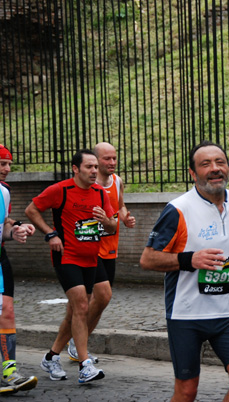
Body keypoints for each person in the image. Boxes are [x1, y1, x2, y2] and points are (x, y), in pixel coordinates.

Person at [140, 141, 229, 402]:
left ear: (228, 167)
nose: (215, 169)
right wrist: (189, 259)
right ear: (193, 174)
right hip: (187, 315)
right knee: (187, 391)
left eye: (220, 162)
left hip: (228, 313)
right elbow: (148, 259)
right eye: (206, 164)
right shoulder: (178, 210)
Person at [25, 149, 117, 384]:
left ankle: (51, 356)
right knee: (81, 306)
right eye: (89, 167)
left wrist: (106, 221)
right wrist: (50, 234)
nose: (94, 171)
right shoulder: (61, 190)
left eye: (96, 167)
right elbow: (31, 209)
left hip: (91, 257)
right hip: (67, 257)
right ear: (76, 169)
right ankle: (85, 365)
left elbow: (112, 228)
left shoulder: (99, 192)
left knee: (79, 309)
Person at [66, 142, 136, 363]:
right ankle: (76, 344)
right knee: (85, 300)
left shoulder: (117, 182)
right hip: (89, 250)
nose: (112, 163)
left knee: (100, 301)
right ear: (95, 161)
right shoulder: (86, 185)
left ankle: (78, 342)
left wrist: (125, 217)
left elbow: (120, 206)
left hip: (110, 250)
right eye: (107, 159)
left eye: (114, 158)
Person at [0, 145, 38, 393]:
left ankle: (9, 372)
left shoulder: (4, 192)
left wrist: (14, 230)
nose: (7, 169)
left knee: (7, 311)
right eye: (2, 163)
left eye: (9, 164)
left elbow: (3, 227)